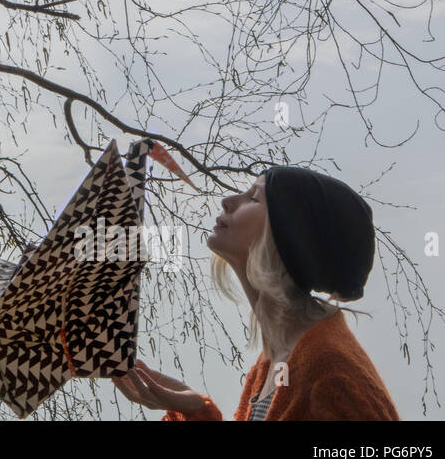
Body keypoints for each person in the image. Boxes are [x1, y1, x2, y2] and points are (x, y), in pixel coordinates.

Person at [113, 165, 398, 420]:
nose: (228, 201)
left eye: (254, 198)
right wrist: (194, 408)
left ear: (289, 236)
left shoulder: (332, 378)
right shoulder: (272, 368)